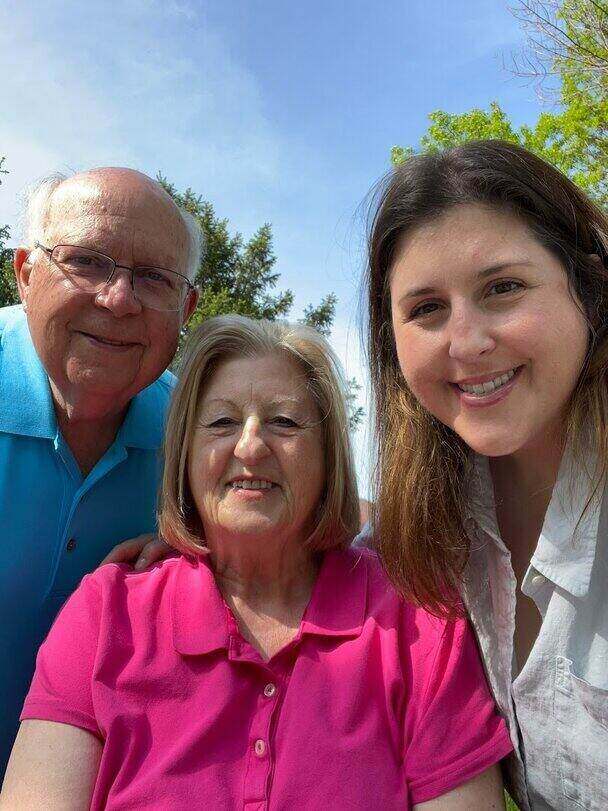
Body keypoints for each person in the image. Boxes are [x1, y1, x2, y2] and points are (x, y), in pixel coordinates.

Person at [2, 315, 512, 810]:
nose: (249, 445)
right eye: (222, 422)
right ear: (185, 453)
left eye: (284, 422)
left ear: (328, 455)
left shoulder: (417, 622)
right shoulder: (106, 615)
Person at [364, 139, 608, 810]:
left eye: (502, 288)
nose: (466, 342)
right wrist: (200, 563)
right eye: (426, 309)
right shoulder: (427, 526)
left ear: (587, 285)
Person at [0, 167, 199, 771]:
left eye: (154, 278)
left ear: (186, 306)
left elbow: (325, 525)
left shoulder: (204, 446)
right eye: (87, 261)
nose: (118, 299)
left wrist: (210, 556)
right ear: (26, 272)